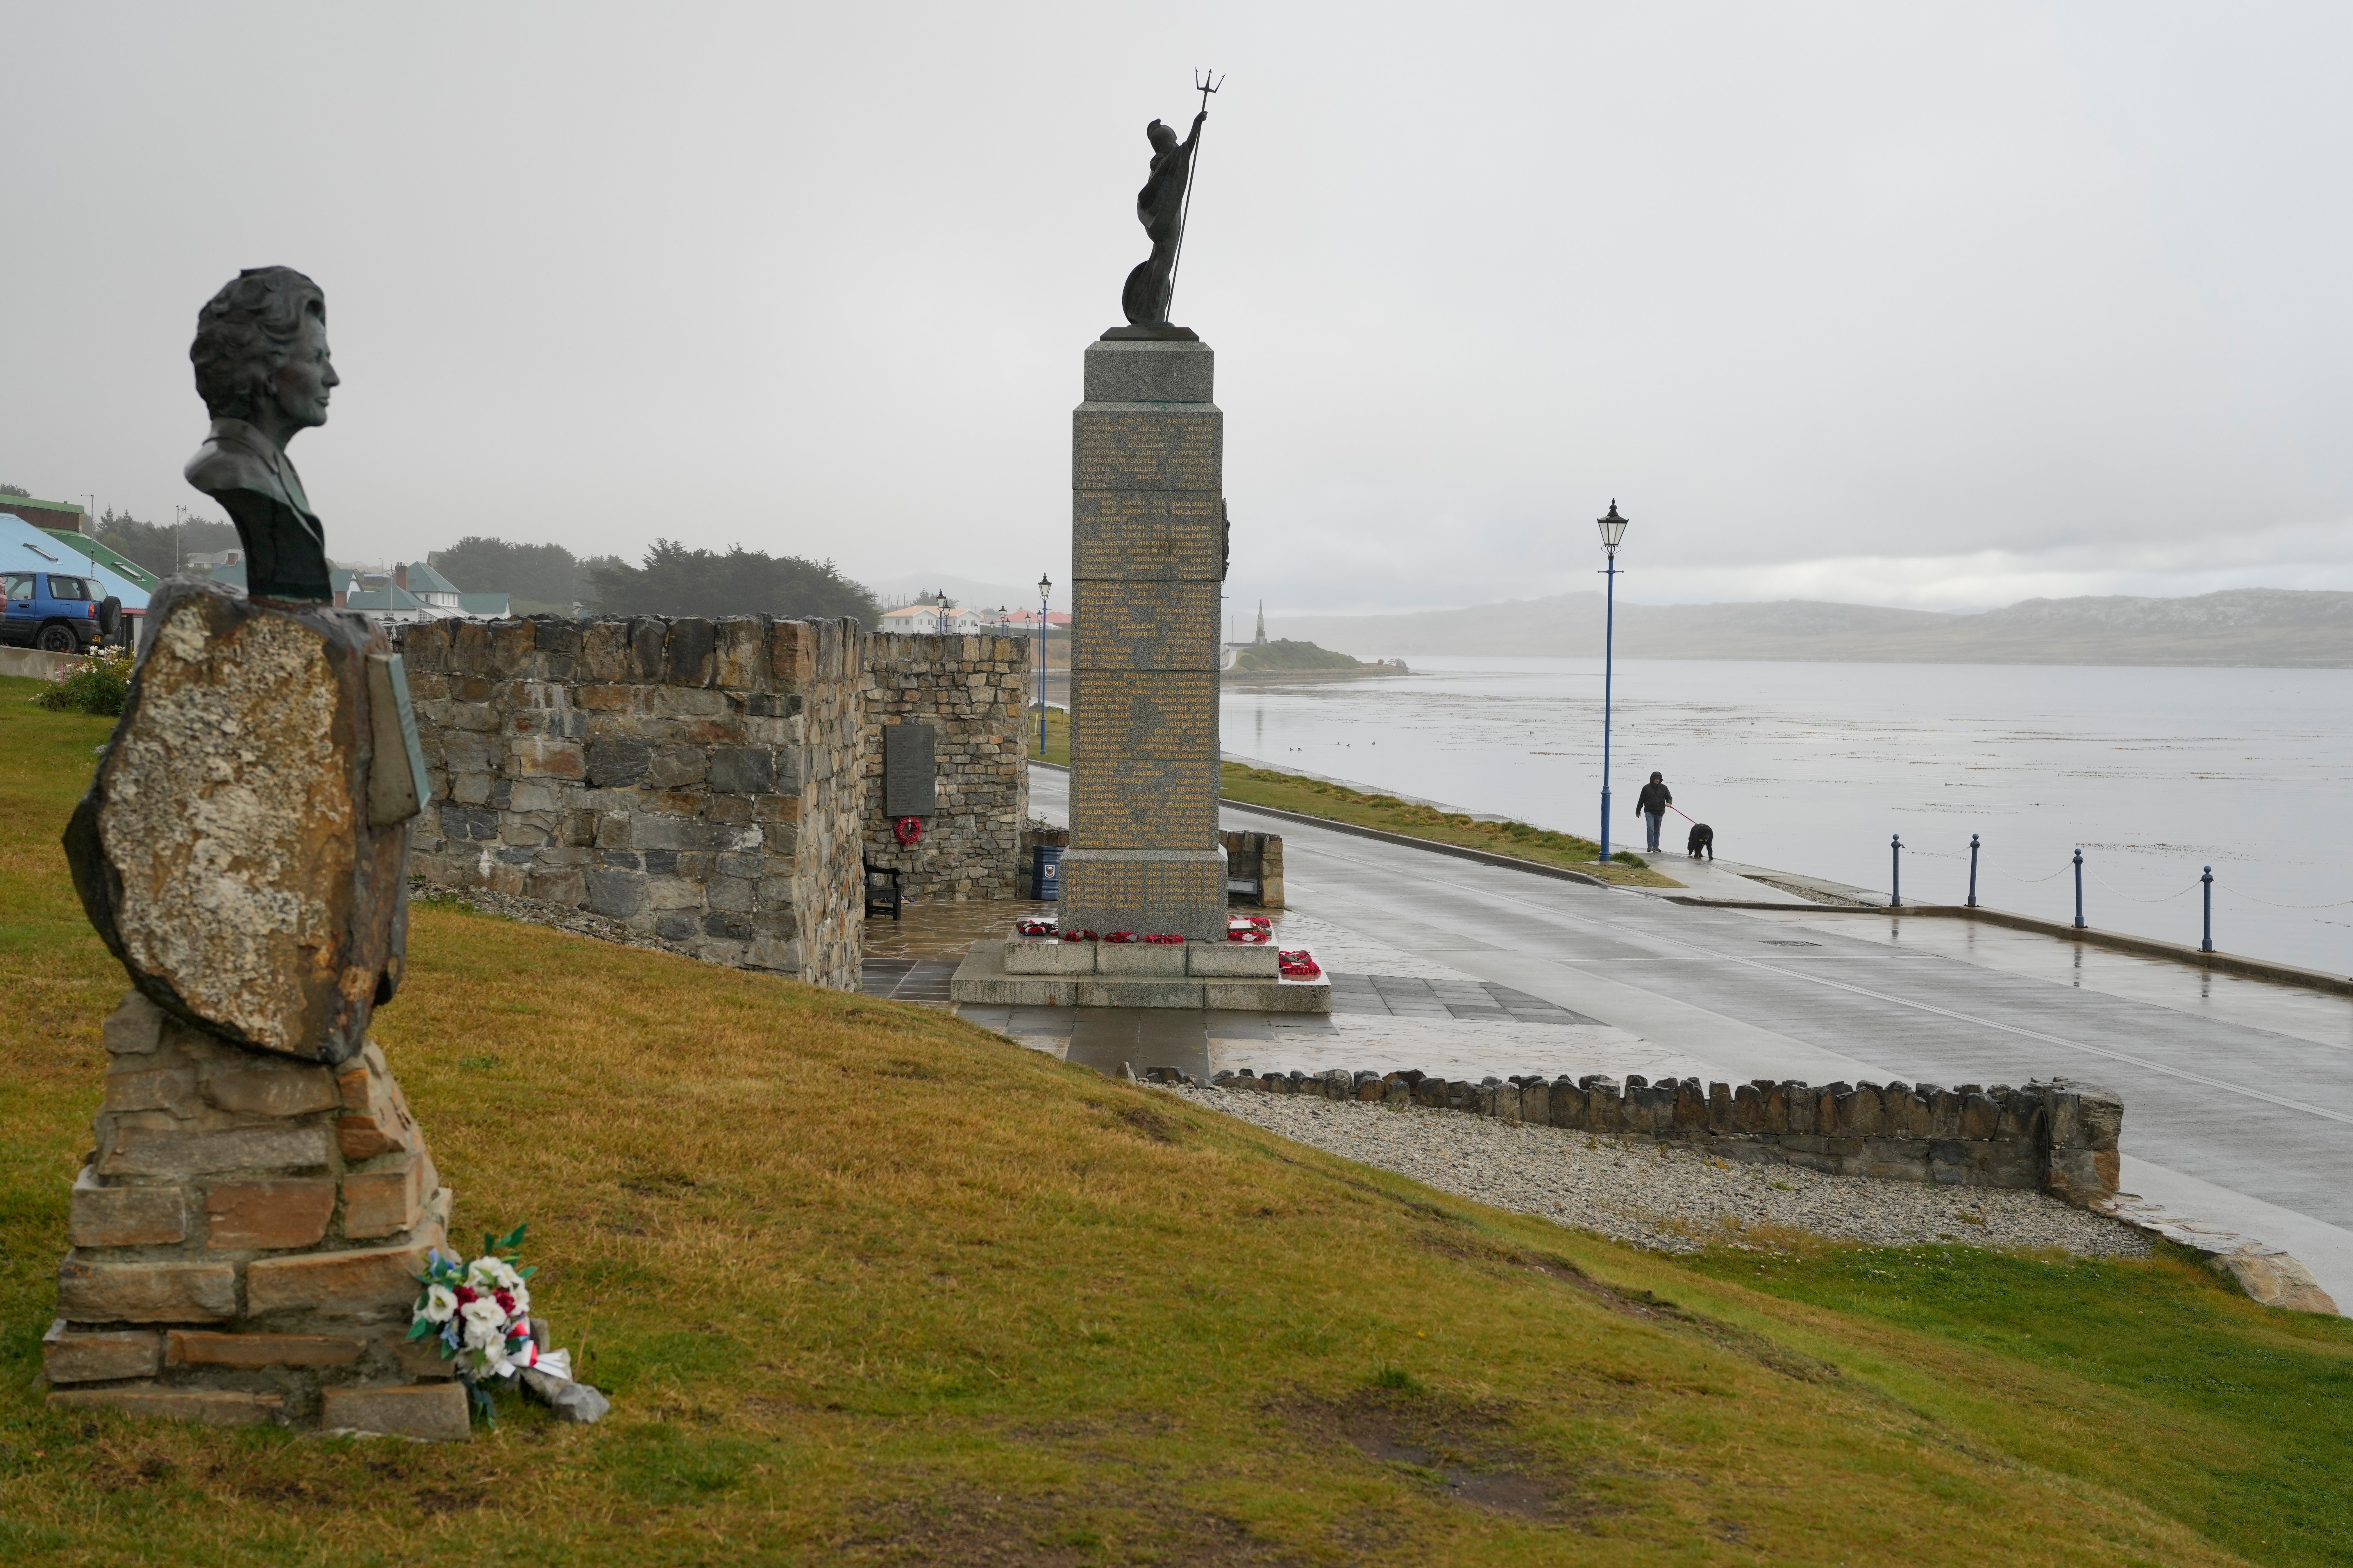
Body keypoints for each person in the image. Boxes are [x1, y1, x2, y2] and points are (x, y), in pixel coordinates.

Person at [1635, 771, 1672, 853]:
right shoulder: (1646, 788)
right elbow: (1641, 800)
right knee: (1651, 828)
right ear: (1653, 779)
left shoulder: (1664, 788)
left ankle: (1656, 847)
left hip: (1660, 812)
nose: (1658, 781)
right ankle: (1650, 847)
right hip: (1649, 812)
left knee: (1657, 830)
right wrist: (1638, 811)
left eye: (1659, 779)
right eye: (1656, 779)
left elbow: (1669, 797)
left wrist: (1669, 803)